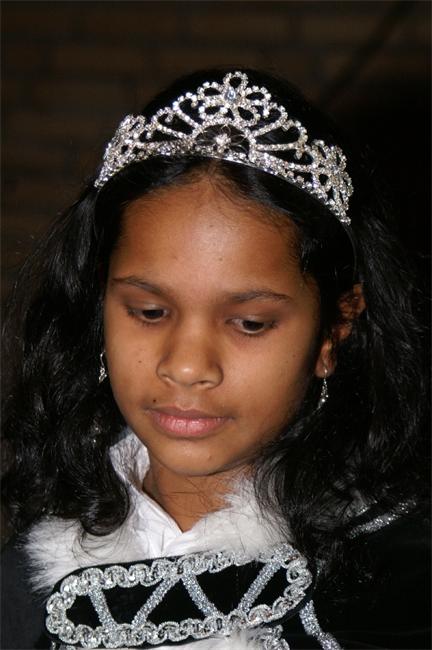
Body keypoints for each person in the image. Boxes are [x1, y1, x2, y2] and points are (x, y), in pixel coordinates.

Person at [1, 68, 429, 650]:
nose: (186, 366)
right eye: (149, 312)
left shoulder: (400, 586)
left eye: (249, 323)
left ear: (333, 330)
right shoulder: (28, 578)